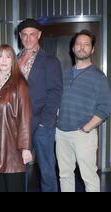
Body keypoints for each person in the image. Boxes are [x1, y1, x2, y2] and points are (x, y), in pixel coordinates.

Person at [56, 30, 111, 192]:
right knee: (65, 175)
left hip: (84, 134)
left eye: (86, 44)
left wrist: (87, 127)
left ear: (92, 50)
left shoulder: (98, 77)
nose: (82, 47)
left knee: (89, 177)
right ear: (73, 48)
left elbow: (105, 107)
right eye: (78, 44)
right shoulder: (64, 74)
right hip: (61, 133)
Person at [17, 18, 63, 192]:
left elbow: (56, 92)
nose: (28, 38)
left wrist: (46, 122)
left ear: (39, 35)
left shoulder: (50, 61)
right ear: (20, 36)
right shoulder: (14, 59)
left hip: (41, 123)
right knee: (20, 169)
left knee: (46, 170)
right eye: (25, 35)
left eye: (32, 34)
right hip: (19, 123)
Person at [0, 44, 33, 192]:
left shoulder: (20, 84)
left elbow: (26, 117)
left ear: (13, 60)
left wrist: (26, 148)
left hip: (12, 145)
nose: (4, 60)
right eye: (0, 56)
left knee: (14, 187)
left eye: (8, 56)